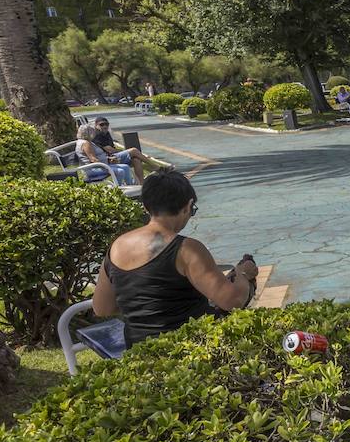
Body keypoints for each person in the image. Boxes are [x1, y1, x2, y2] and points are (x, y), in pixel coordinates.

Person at [92, 170, 261, 347]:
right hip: (188, 349)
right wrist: (243, 274)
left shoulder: (117, 246)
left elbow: (102, 308)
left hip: (139, 353)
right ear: (187, 206)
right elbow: (232, 301)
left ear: (145, 206)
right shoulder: (186, 249)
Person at [90, 118, 160, 179]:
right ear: (96, 126)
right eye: (101, 124)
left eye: (106, 124)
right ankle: (156, 167)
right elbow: (109, 150)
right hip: (107, 159)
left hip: (113, 157)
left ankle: (141, 184)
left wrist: (125, 152)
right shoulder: (97, 135)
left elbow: (112, 147)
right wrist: (126, 152)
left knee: (136, 160)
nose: (105, 126)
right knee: (133, 150)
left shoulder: (106, 133)